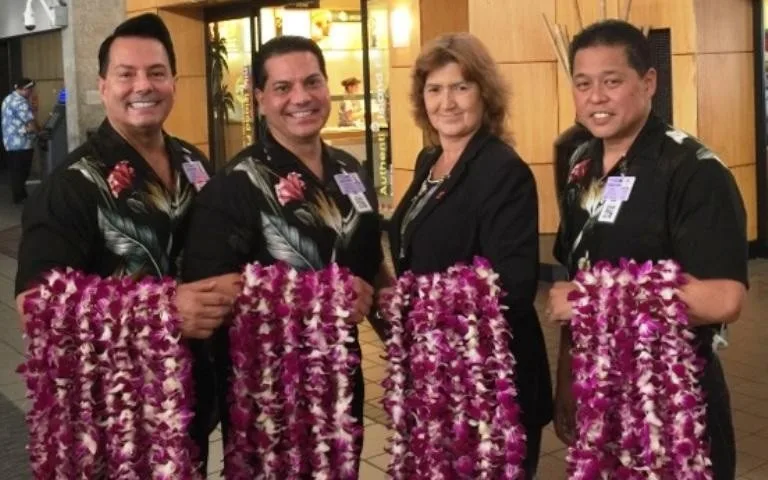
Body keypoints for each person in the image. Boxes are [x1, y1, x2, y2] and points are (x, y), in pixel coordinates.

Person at [14, 11, 240, 467]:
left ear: (174, 82)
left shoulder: (192, 163)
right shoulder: (72, 184)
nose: (143, 86)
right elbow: (35, 305)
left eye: (157, 73)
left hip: (190, 398)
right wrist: (163, 311)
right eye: (126, 74)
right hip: (114, 412)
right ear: (102, 86)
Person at [547, 20, 747, 479]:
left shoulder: (694, 171)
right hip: (601, 394)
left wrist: (592, 301)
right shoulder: (581, 165)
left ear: (649, 83)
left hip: (676, 403)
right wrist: (568, 380)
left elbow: (725, 299)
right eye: (583, 84)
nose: (596, 97)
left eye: (612, 81)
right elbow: (578, 273)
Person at [180, 35, 389, 473]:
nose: (301, 98)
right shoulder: (234, 187)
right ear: (259, 99)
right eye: (282, 87)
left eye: (312, 82)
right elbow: (212, 297)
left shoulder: (351, 171)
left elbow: (369, 264)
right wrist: (323, 296)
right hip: (270, 398)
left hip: (343, 382)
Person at [387, 32, 552, 479]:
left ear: (485, 93)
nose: (448, 102)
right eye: (434, 89)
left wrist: (419, 304)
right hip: (440, 377)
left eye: (462, 87)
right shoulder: (430, 161)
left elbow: (513, 285)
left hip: (490, 384)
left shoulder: (502, 170)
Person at [1, 77, 39, 204]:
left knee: (15, 170)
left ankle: (19, 194)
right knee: (23, 170)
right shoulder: (21, 103)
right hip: (22, 143)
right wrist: (39, 131)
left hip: (9, 142)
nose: (31, 92)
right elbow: (30, 122)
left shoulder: (7, 99)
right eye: (30, 90)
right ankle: (20, 197)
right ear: (24, 89)